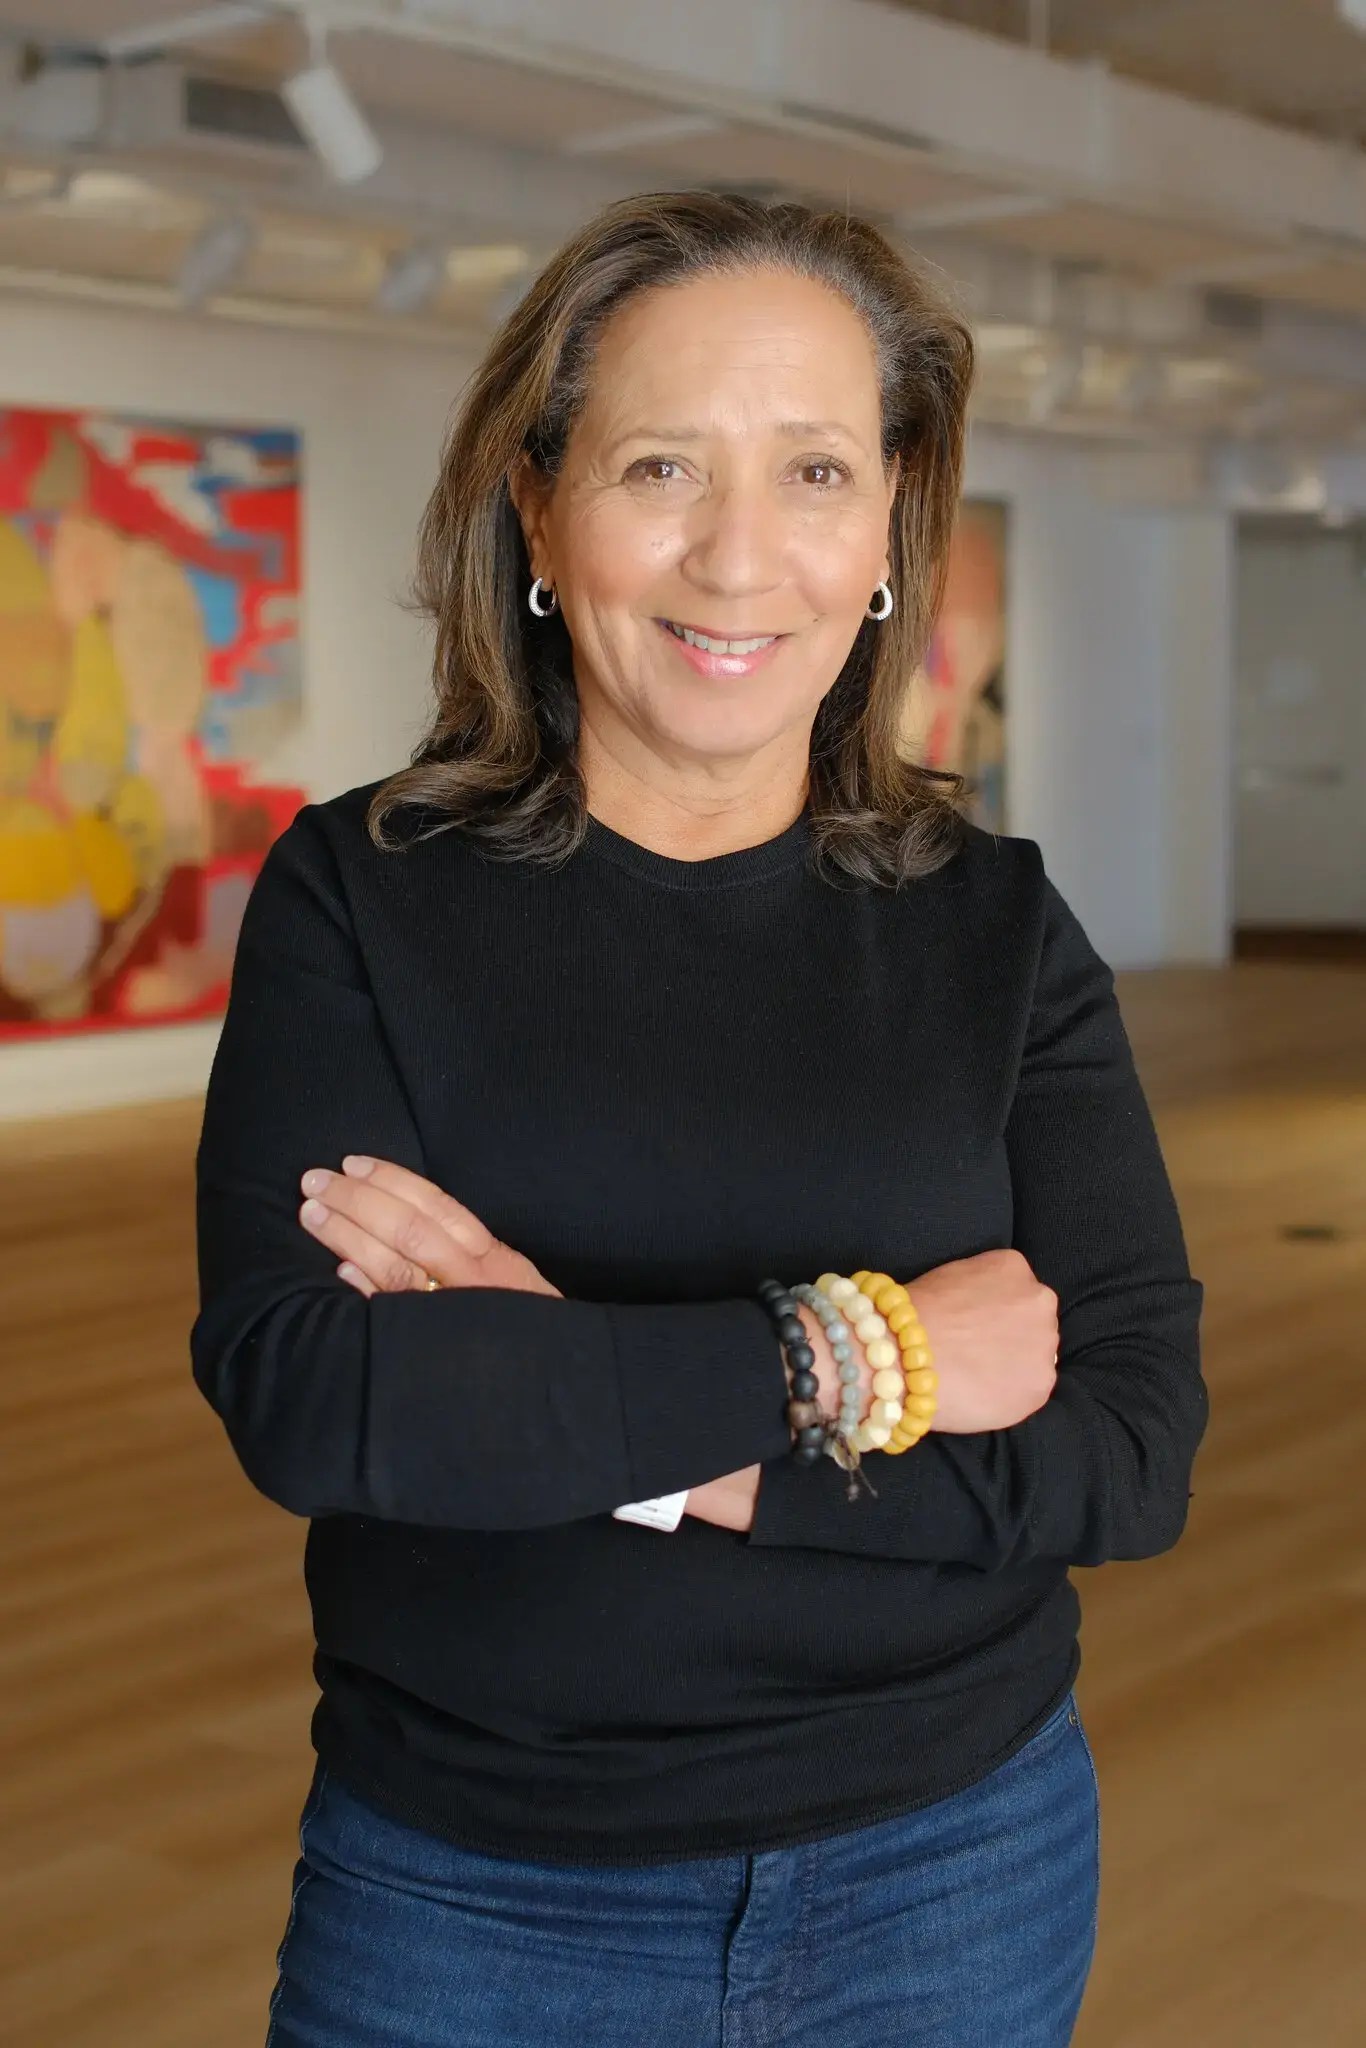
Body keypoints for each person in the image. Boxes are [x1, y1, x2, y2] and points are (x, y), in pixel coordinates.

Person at [192, 190, 1207, 2048]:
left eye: (815, 471)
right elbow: (316, 1397)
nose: (740, 556)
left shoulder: (996, 929)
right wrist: (868, 1354)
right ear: (537, 510)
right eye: (661, 463)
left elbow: (1127, 1453)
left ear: (891, 523)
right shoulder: (365, 895)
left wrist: (566, 1391)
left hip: (951, 1869)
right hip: (476, 1896)